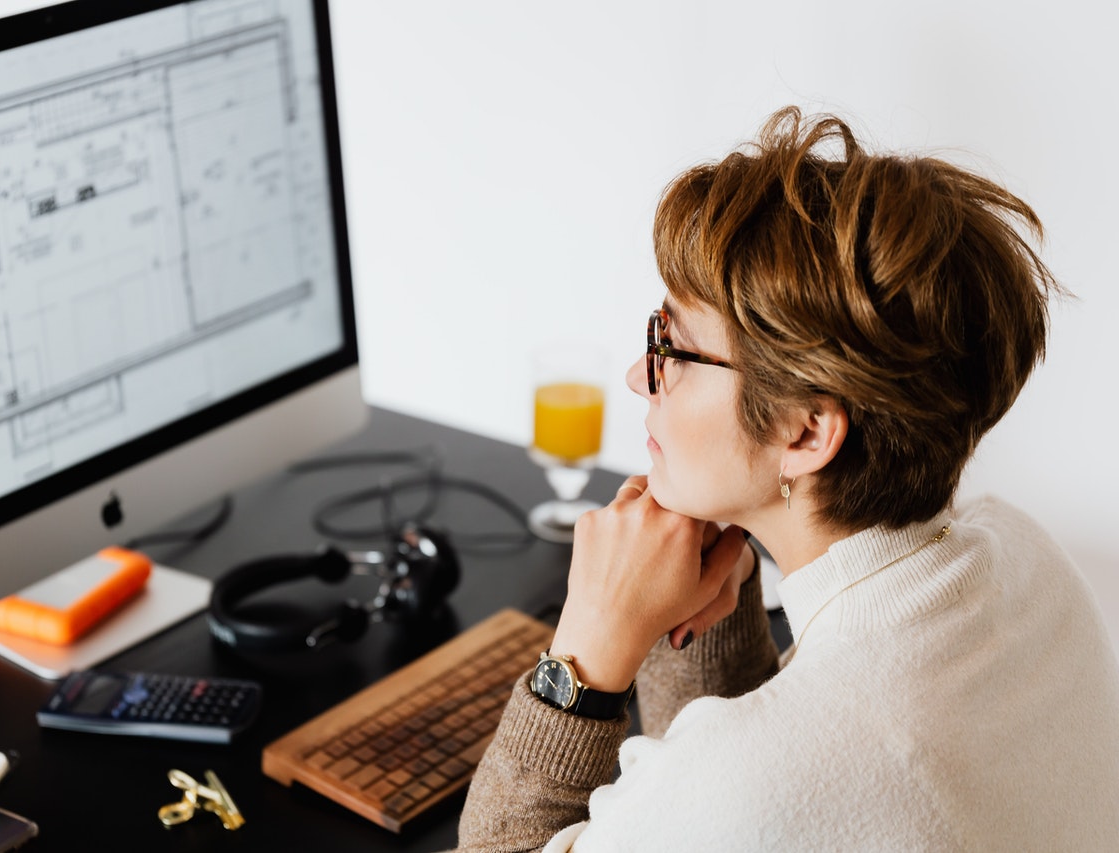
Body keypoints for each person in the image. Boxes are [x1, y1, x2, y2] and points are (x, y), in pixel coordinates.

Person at [456, 106, 1119, 851]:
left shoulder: (757, 774)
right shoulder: (1028, 561)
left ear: (805, 431)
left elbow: (741, 789)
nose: (640, 375)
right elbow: (732, 788)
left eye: (672, 345)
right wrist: (720, 549)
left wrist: (584, 658)